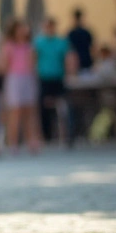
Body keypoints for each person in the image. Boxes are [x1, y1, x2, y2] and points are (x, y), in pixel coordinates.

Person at [1, 20, 41, 153]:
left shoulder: (29, 46)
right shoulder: (9, 46)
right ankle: (13, 143)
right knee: (15, 111)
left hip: (28, 78)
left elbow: (34, 64)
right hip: (14, 79)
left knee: (29, 111)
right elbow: (5, 65)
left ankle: (32, 141)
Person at [33, 17, 73, 145]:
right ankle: (46, 135)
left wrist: (69, 72)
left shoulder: (61, 42)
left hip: (58, 78)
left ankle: (67, 135)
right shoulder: (38, 42)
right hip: (44, 78)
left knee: (63, 107)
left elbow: (68, 59)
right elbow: (34, 58)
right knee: (43, 108)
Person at [67, 8, 94, 73]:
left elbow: (92, 48)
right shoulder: (71, 34)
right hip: (76, 65)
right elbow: (69, 51)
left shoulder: (86, 32)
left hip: (87, 63)